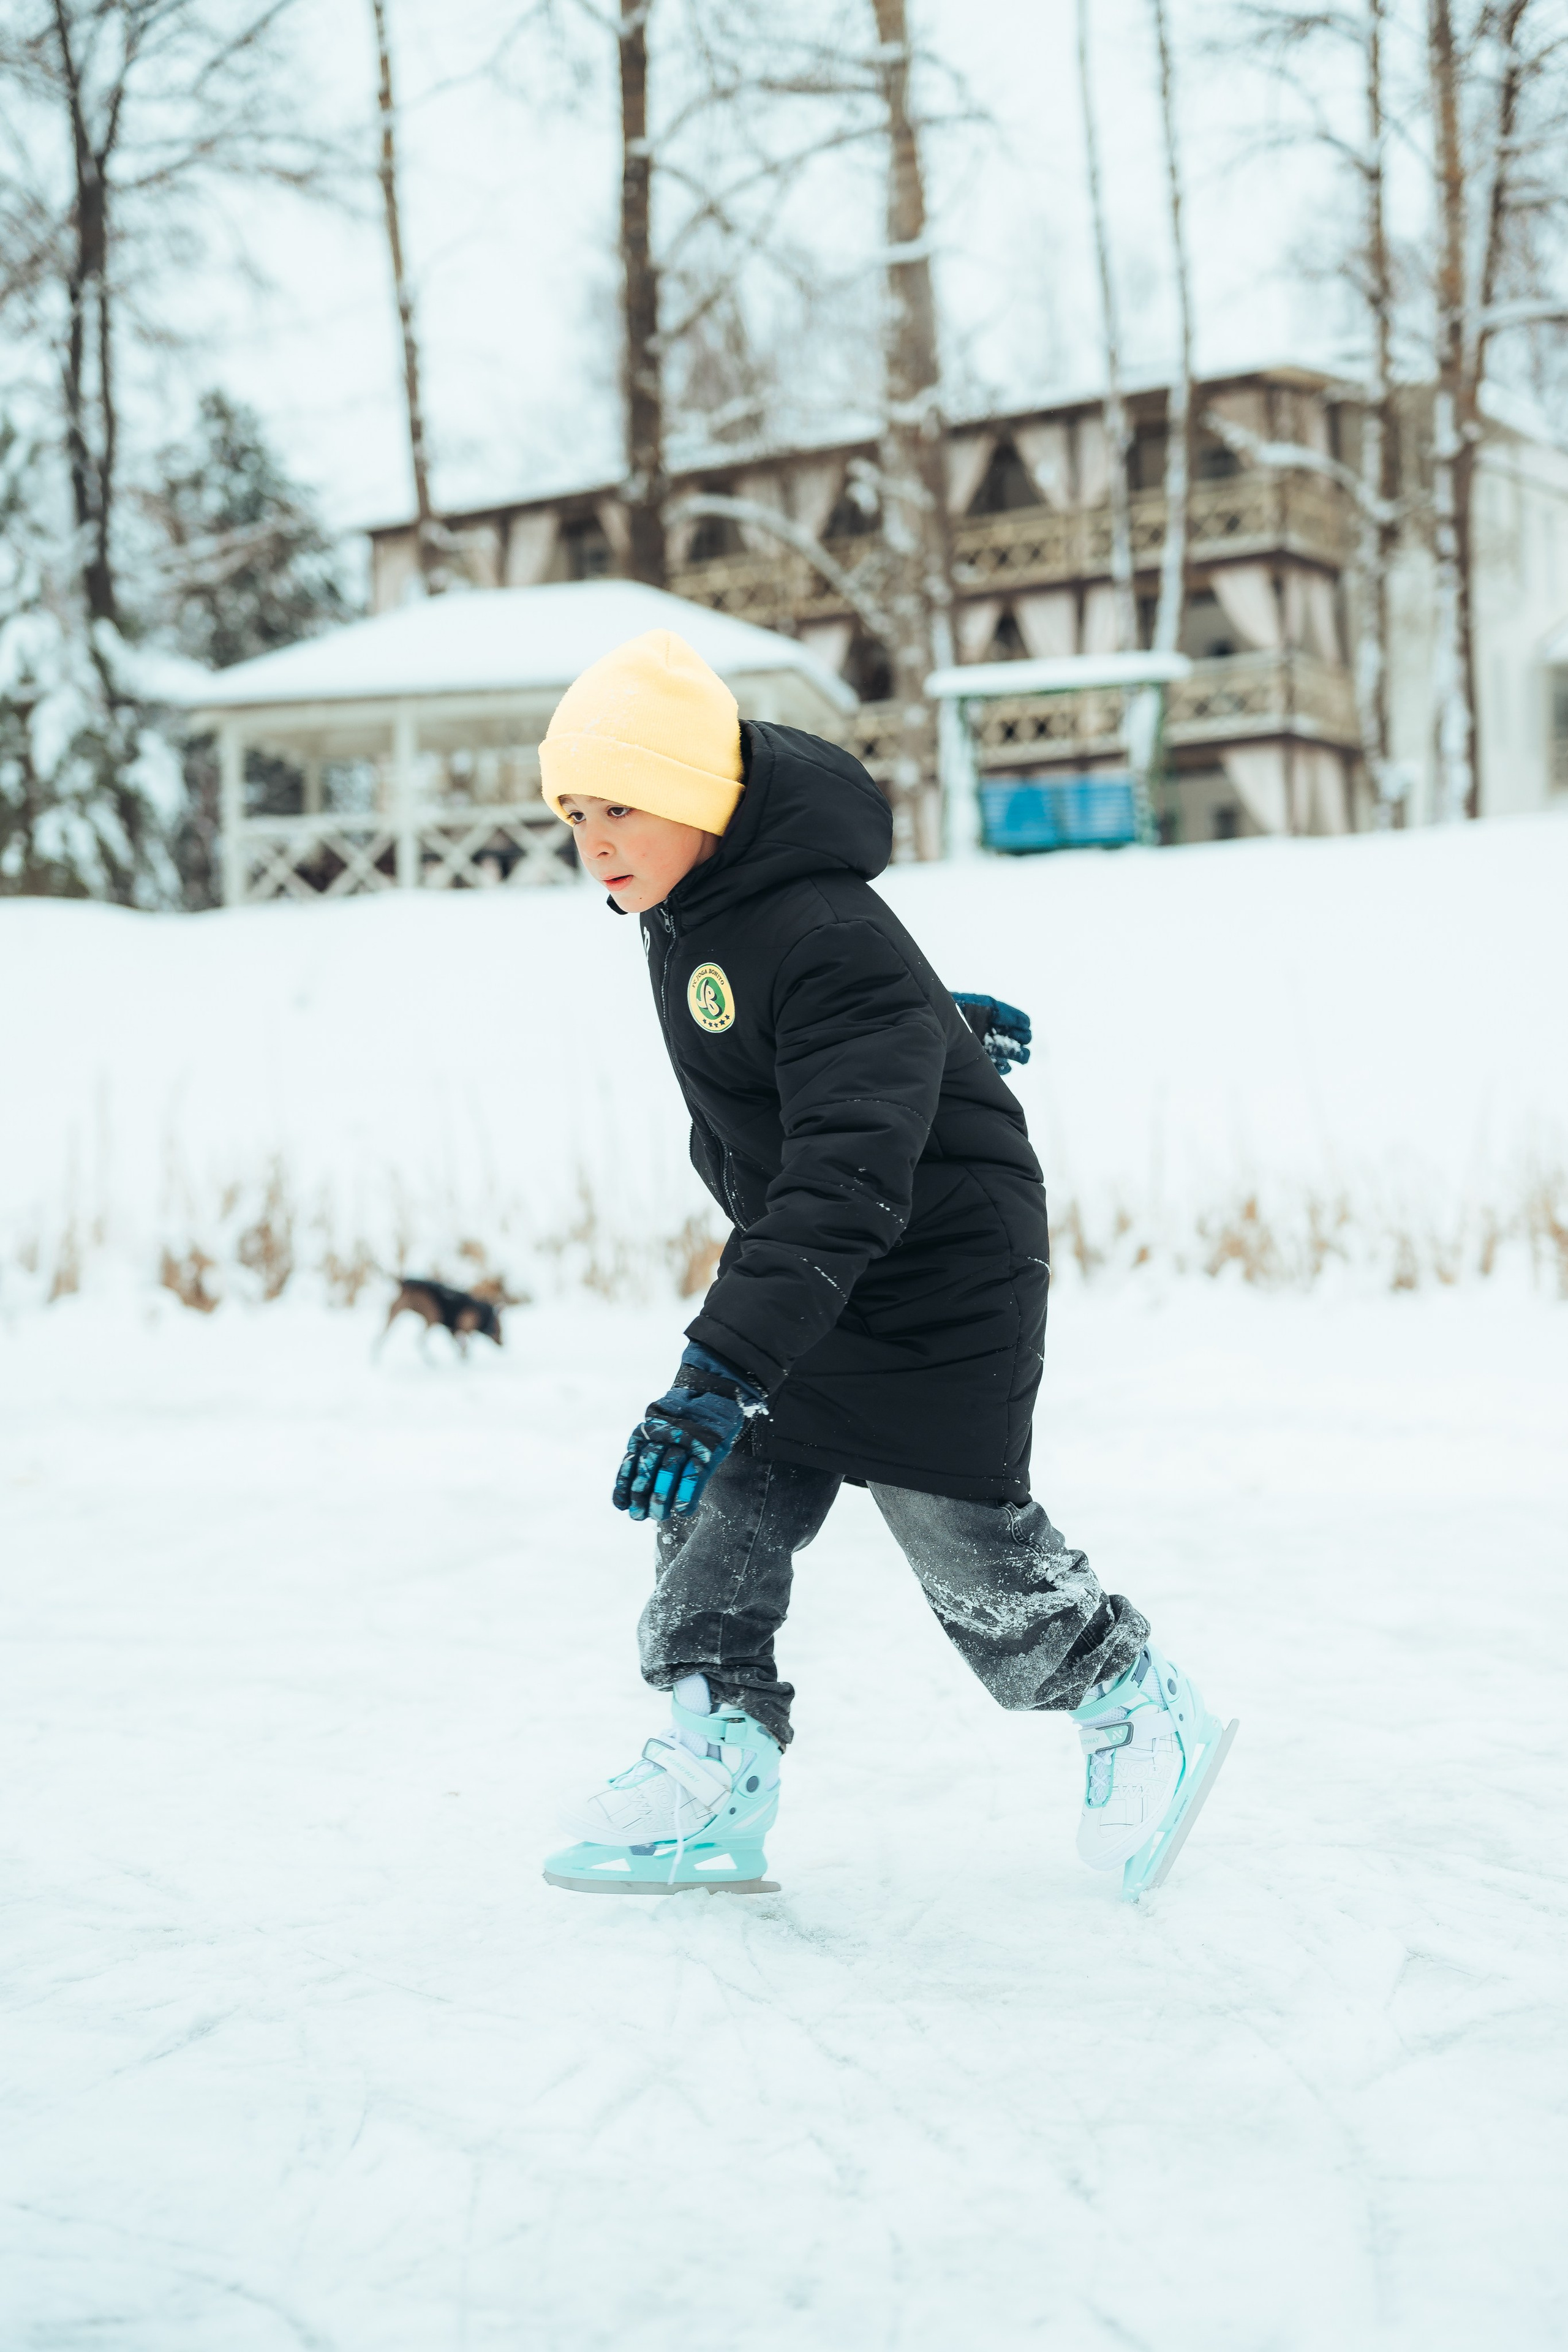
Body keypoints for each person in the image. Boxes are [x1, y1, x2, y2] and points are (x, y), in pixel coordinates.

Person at [537, 629, 1235, 1902]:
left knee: (958, 1535)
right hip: (817, 1249)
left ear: (698, 798)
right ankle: (717, 1760)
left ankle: (1129, 1699)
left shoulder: (809, 925)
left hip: (931, 1264)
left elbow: (843, 1153)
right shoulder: (691, 905)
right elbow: (811, 1045)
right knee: (723, 1503)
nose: (594, 837)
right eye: (575, 810)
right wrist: (930, 1030)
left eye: (621, 805)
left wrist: (716, 1365)